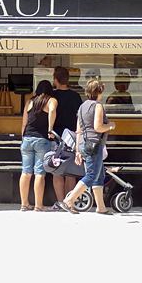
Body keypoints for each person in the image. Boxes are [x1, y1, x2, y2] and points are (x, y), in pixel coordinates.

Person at [56, 78, 116, 215]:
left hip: (84, 143)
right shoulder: (98, 106)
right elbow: (98, 127)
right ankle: (69, 200)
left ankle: (101, 207)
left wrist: (77, 150)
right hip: (94, 144)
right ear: (100, 91)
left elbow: (78, 130)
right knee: (91, 175)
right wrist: (111, 126)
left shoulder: (82, 106)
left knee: (99, 175)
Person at [19, 80, 58, 211]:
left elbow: (24, 122)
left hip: (27, 139)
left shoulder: (29, 102)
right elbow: (52, 111)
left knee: (26, 172)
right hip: (42, 140)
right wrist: (50, 128)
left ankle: (24, 204)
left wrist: (23, 137)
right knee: (39, 173)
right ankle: (38, 205)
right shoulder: (51, 100)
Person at [51, 66, 82, 209]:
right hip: (72, 137)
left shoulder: (52, 96)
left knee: (57, 171)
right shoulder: (76, 96)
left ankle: (60, 202)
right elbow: (79, 118)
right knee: (71, 172)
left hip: (57, 137)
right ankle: (70, 202)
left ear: (56, 80)